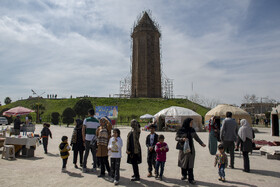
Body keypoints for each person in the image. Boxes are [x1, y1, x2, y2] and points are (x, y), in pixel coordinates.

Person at [176, 118, 206, 184]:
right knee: (183, 163)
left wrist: (202, 143)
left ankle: (191, 179)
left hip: (191, 149)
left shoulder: (192, 130)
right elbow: (176, 138)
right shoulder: (181, 130)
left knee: (190, 164)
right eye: (191, 122)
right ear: (187, 123)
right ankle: (184, 175)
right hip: (183, 149)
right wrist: (182, 139)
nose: (192, 124)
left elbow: (196, 137)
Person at [82, 108, 100, 173]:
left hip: (87, 138)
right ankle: (94, 167)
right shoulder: (97, 121)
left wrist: (83, 138)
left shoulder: (86, 120)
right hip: (94, 139)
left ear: (89, 113)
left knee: (86, 153)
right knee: (94, 154)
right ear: (94, 114)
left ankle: (84, 167)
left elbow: (83, 129)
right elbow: (98, 131)